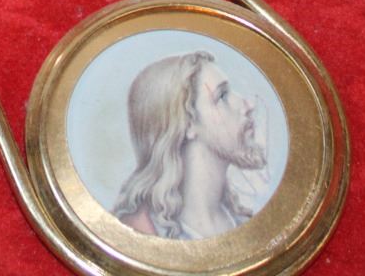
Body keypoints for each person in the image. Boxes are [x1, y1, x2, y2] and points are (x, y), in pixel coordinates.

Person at [112, 51, 268, 241]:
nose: (249, 105)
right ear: (187, 123)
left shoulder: (244, 223)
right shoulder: (139, 232)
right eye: (222, 96)